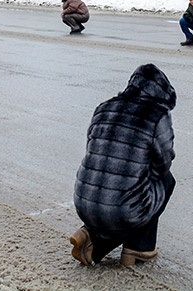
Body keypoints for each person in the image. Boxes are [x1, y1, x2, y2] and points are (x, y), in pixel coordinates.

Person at [69, 63, 177, 267]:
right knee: (165, 181)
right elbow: (163, 163)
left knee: (119, 195)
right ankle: (139, 247)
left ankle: (91, 237)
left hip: (84, 204)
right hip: (121, 211)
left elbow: (93, 151)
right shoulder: (156, 114)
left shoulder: (103, 107)